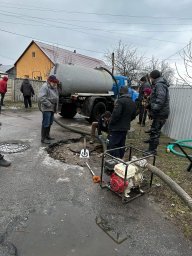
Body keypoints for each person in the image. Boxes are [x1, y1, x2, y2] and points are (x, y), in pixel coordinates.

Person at [144, 70, 170, 156]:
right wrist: (149, 106)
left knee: (155, 132)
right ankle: (151, 142)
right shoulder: (159, 84)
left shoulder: (159, 85)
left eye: (150, 77)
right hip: (159, 112)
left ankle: (152, 151)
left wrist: (153, 108)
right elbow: (155, 98)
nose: (150, 79)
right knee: (154, 129)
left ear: (153, 77)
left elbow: (160, 99)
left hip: (160, 113)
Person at [108, 86, 136, 159]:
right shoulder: (132, 102)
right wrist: (126, 121)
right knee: (121, 144)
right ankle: (120, 158)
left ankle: (116, 159)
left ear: (120, 93)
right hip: (125, 127)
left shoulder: (120, 101)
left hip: (117, 127)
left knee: (113, 144)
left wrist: (111, 123)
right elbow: (133, 115)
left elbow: (116, 115)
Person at [38, 75, 59, 144]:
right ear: (49, 81)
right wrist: (49, 104)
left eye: (56, 82)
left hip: (52, 108)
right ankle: (43, 139)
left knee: (50, 122)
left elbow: (56, 97)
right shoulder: (45, 87)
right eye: (54, 82)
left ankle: (47, 136)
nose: (55, 84)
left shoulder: (54, 87)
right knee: (46, 123)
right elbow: (42, 98)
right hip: (47, 108)